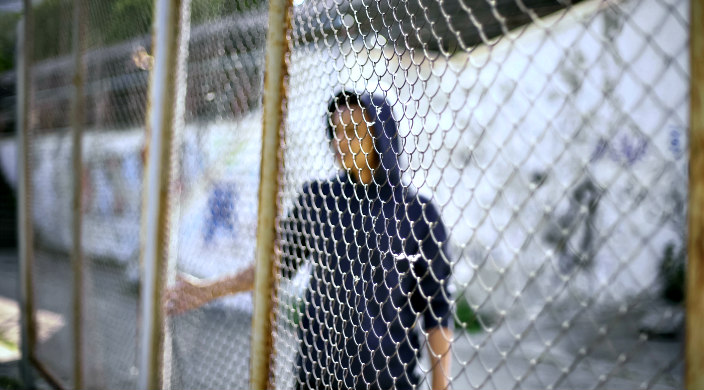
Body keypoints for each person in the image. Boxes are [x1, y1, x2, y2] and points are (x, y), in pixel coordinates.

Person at [167, 91, 453, 390]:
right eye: (335, 131)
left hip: (388, 380)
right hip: (317, 375)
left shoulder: (417, 214)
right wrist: (207, 289)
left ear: (381, 137)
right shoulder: (318, 199)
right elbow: (275, 268)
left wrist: (440, 387)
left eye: (352, 131)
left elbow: (437, 311)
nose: (339, 142)